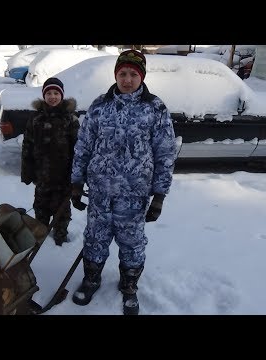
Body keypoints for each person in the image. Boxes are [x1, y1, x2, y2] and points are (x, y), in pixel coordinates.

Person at [70, 49, 177, 315]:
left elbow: (165, 153)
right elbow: (83, 145)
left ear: (141, 77)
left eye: (132, 74)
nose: (127, 80)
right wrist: (75, 182)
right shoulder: (99, 106)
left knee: (132, 241)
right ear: (115, 75)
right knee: (95, 238)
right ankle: (92, 278)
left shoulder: (155, 108)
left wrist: (160, 196)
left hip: (134, 194)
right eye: (122, 74)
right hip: (99, 191)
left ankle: (129, 285)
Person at [21, 77, 80, 246]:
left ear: (61, 96)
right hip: (42, 176)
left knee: (62, 211)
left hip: (64, 178)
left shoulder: (70, 119)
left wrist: (76, 178)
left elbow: (78, 150)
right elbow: (27, 147)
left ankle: (60, 237)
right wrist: (27, 172)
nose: (52, 97)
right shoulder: (35, 119)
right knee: (41, 208)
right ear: (43, 96)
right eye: (48, 93)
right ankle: (41, 236)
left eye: (56, 93)